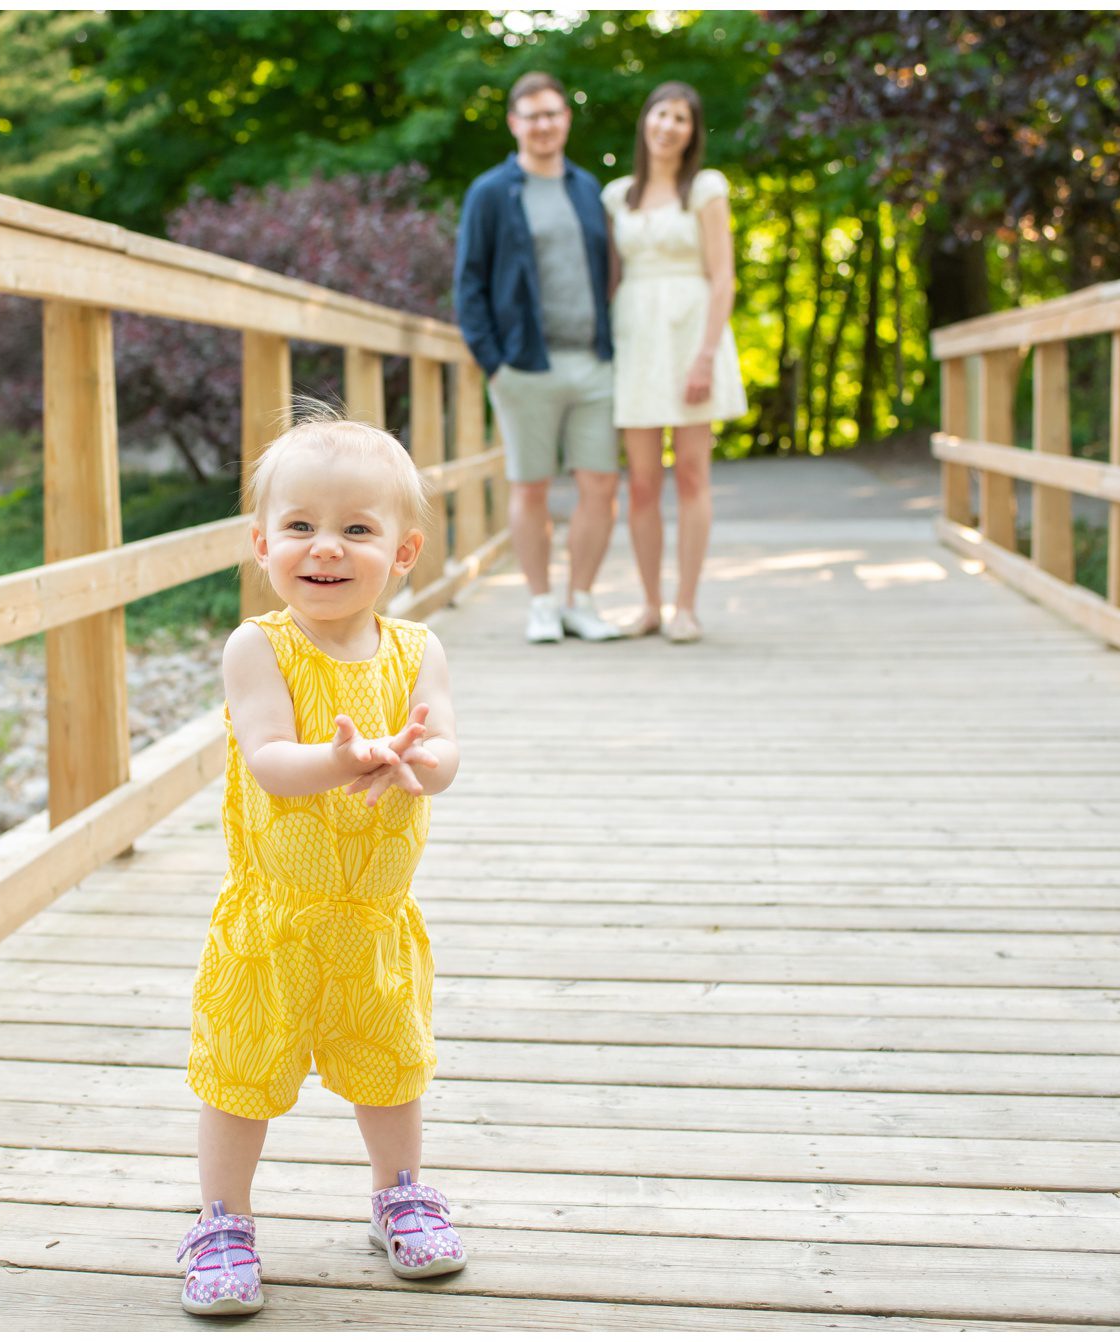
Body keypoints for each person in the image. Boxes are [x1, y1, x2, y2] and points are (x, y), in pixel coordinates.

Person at [177, 409, 468, 1316]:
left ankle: (401, 1192)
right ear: (262, 543)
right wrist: (343, 759)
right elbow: (268, 759)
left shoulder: (417, 651)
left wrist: (419, 763)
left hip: (374, 918)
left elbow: (448, 751)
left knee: (391, 1063)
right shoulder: (260, 647)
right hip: (279, 917)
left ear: (404, 551)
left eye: (356, 529)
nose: (325, 549)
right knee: (244, 1071)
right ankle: (222, 1217)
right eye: (299, 527)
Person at [455, 70, 622, 644]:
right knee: (531, 487)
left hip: (594, 362)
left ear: (566, 118)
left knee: (601, 485)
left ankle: (581, 600)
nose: (544, 124)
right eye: (532, 115)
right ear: (514, 123)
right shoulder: (490, 192)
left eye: (552, 113)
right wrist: (493, 364)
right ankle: (541, 603)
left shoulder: (587, 188)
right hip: (525, 366)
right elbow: (469, 283)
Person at [603, 81, 747, 642]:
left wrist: (706, 355)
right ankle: (649, 605)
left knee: (691, 475)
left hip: (691, 336)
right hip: (636, 339)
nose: (669, 126)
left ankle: (687, 605)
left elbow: (724, 276)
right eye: (662, 114)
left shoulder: (705, 189)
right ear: (647, 121)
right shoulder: (618, 196)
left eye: (682, 119)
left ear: (692, 131)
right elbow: (611, 276)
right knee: (641, 483)